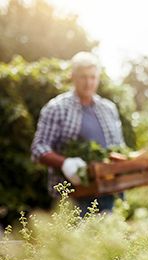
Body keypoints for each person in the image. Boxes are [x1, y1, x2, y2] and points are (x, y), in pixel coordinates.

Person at [31, 51, 126, 215]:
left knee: (109, 240)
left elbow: (119, 148)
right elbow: (38, 148)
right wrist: (65, 163)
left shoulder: (108, 108)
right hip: (73, 195)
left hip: (109, 192)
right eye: (83, 77)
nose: (88, 83)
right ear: (73, 76)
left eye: (92, 77)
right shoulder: (57, 108)